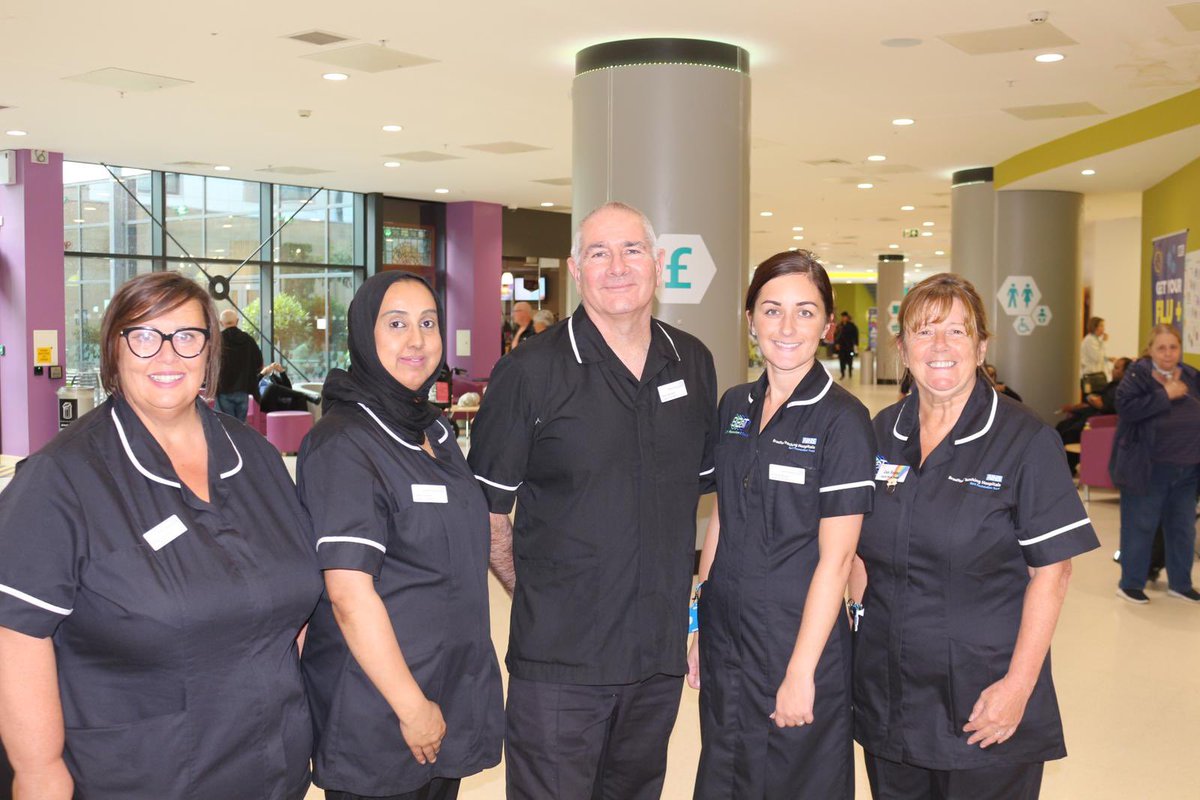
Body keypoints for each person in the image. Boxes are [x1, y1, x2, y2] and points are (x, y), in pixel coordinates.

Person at [0, 271, 321, 799]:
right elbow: (18, 636)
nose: (168, 356)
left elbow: (296, 602)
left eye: (187, 336)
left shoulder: (256, 459)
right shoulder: (62, 479)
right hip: (143, 774)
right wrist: (39, 771)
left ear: (209, 351)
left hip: (272, 768)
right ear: (114, 349)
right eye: (144, 336)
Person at [467, 201, 718, 799]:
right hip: (560, 666)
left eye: (631, 250)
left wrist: (699, 612)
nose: (617, 266)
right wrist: (530, 590)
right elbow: (487, 510)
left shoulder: (692, 362)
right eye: (598, 253)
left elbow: (715, 502)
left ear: (658, 264)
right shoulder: (530, 372)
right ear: (576, 271)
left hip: (656, 661)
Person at [851, 273, 1099, 800]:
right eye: (923, 332)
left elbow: (1052, 573)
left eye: (957, 332)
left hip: (982, 697)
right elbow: (857, 550)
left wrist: (1018, 688)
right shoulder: (880, 432)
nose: (939, 347)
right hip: (889, 694)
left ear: (982, 345)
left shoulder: (1025, 440)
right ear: (901, 348)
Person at [297, 272, 504, 800]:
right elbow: (347, 594)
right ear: (365, 335)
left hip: (446, 689)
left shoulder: (432, 431)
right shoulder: (344, 443)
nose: (417, 340)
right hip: (383, 708)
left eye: (428, 323)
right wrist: (411, 708)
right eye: (396, 324)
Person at [690, 252, 874, 799]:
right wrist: (700, 621)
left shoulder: (842, 420)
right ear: (751, 321)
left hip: (798, 636)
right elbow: (721, 514)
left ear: (827, 324)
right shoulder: (735, 405)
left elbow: (838, 559)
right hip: (727, 634)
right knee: (725, 772)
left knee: (795, 779)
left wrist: (801, 672)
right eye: (772, 311)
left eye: (805, 311)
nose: (787, 327)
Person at [1109, 324, 1200, 604]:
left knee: (1183, 528)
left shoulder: (1193, 376)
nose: (1168, 353)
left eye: (1173, 347)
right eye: (1161, 348)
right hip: (1148, 468)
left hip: (1188, 469)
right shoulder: (1137, 375)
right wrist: (1165, 395)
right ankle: (1131, 583)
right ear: (1150, 350)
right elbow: (1125, 408)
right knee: (1140, 526)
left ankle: (1181, 583)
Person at [1056, 357, 1129, 471]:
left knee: (1070, 433)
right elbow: (1095, 399)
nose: (1113, 370)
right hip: (1091, 413)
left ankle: (1067, 467)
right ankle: (1057, 464)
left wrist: (1092, 398)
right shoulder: (1112, 385)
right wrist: (1075, 407)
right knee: (1061, 426)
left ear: (1125, 372)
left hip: (1100, 419)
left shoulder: (1122, 388)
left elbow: (1101, 404)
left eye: (1117, 368)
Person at [216, 307, 264, 421]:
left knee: (227, 425)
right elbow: (259, 364)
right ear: (237, 321)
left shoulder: (217, 341)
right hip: (243, 390)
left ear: (221, 323)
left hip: (223, 390)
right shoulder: (248, 340)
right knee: (241, 425)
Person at [1080, 316, 1110, 400]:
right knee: (1092, 400)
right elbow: (1097, 357)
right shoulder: (1090, 340)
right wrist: (1104, 342)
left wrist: (1108, 358)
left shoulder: (1096, 340)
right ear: (1094, 327)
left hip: (1097, 375)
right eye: (1101, 326)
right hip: (1091, 376)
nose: (1103, 329)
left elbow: (1100, 355)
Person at [835, 310, 859, 379]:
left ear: (847, 317)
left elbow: (855, 335)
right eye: (842, 317)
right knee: (841, 360)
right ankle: (842, 373)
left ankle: (850, 372)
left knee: (850, 359)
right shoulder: (839, 326)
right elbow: (836, 335)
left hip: (849, 346)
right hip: (842, 346)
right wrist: (836, 344)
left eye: (845, 317)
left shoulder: (852, 326)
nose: (843, 318)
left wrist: (856, 345)